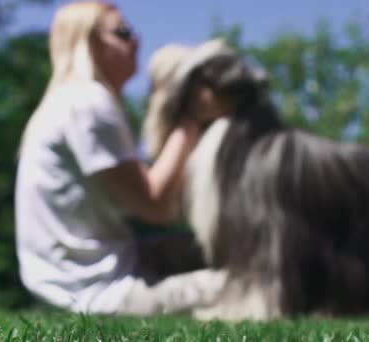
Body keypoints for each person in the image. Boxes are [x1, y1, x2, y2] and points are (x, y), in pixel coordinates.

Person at [14, 0, 226, 315]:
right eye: (123, 32)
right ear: (88, 41)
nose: (136, 40)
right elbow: (155, 206)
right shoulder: (87, 103)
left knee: (235, 248)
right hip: (102, 293)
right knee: (254, 280)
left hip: (92, 273)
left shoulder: (67, 103)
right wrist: (189, 118)